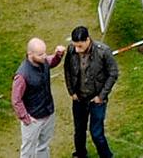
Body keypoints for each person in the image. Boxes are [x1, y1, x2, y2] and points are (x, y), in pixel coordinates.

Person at [63, 24, 118, 158]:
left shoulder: (103, 52)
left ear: (88, 40)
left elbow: (113, 73)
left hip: (96, 99)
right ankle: (80, 154)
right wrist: (72, 92)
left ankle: (106, 156)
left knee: (96, 133)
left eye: (80, 46)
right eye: (75, 45)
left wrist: (101, 96)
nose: (77, 49)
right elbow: (67, 70)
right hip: (79, 98)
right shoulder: (71, 50)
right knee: (79, 131)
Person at [12, 36, 66, 158]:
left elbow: (51, 61)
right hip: (33, 120)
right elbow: (16, 100)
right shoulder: (22, 75)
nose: (44, 56)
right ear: (30, 54)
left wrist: (58, 55)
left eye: (45, 53)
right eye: (40, 54)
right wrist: (26, 118)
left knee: (43, 146)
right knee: (28, 151)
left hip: (48, 114)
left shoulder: (43, 61)